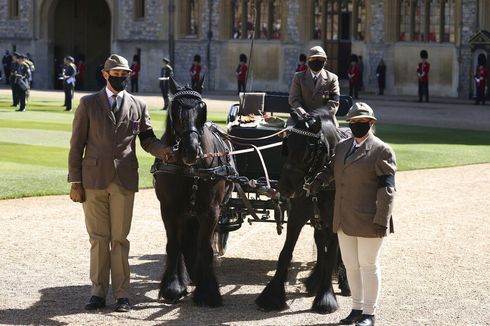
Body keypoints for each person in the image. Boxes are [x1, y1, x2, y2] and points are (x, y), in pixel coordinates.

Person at [68, 54, 175, 313]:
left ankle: (122, 294)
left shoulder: (138, 104)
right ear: (106, 74)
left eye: (125, 73)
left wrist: (166, 152)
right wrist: (75, 181)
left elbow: (148, 139)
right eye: (117, 73)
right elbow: (76, 145)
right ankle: (97, 292)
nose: (122, 77)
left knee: (120, 239)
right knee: (98, 238)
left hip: (124, 179)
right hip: (93, 180)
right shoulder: (88, 103)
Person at [333, 102, 396, 326]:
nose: (358, 125)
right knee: (350, 265)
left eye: (363, 122)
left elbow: (387, 189)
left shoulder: (382, 150)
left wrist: (382, 220)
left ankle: (369, 313)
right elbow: (334, 173)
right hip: (344, 217)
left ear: (371, 123)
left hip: (370, 219)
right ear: (349, 124)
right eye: (354, 122)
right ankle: (356, 308)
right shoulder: (341, 147)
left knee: (368, 264)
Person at [289, 45, 340, 126]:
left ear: (325, 61)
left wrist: (318, 118)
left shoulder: (332, 78)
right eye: (313, 58)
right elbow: (294, 100)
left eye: (320, 59)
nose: (316, 61)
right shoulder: (298, 77)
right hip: (301, 118)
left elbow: (333, 102)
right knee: (292, 135)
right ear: (308, 60)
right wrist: (304, 115)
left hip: (325, 119)